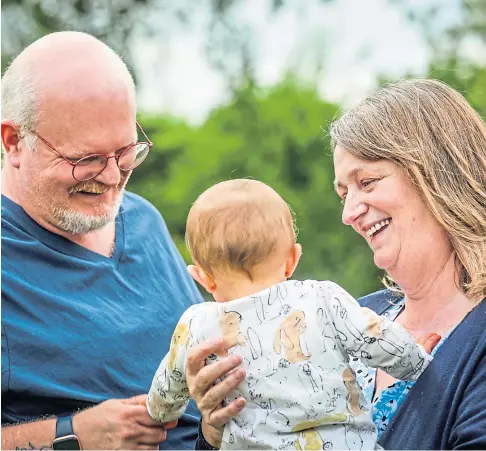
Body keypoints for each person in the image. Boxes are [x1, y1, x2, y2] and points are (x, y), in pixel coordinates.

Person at [187, 79, 486, 450]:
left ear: (438, 173)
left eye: (368, 182)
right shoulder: (353, 314)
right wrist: (217, 433)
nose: (349, 213)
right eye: (344, 193)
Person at [1, 31, 203, 450]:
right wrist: (71, 436)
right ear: (14, 141)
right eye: (86, 160)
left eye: (126, 153)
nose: (112, 178)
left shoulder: (143, 218)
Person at [145, 179, 440, 450]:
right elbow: (375, 336)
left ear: (203, 277)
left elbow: (168, 383)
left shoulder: (196, 324)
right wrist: (415, 360)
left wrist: (160, 413)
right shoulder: (322, 297)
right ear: (292, 260)